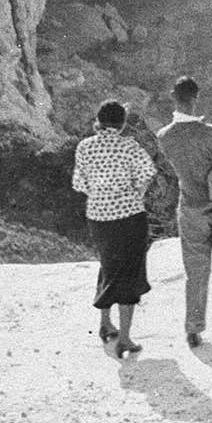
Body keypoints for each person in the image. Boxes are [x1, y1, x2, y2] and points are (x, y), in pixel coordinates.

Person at [156, 76, 212, 348]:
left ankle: (194, 330)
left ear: (174, 97)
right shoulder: (209, 133)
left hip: (191, 206)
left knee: (195, 270)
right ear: (196, 98)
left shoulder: (164, 137)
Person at [72, 99, 157, 358]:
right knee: (130, 272)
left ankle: (105, 324)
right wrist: (134, 193)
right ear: (121, 124)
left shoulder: (84, 147)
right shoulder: (129, 146)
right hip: (129, 216)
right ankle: (126, 338)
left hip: (98, 217)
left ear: (99, 120)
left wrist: (100, 195)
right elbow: (147, 174)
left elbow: (79, 184)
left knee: (108, 266)